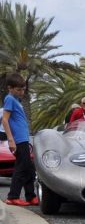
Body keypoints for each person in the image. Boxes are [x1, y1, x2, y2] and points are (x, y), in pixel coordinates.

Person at [2, 73, 37, 206]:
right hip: (18, 139)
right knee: (22, 168)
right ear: (10, 88)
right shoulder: (10, 99)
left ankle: (31, 196)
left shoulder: (16, 100)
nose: (22, 92)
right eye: (18, 89)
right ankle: (12, 197)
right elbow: (5, 120)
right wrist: (11, 140)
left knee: (28, 168)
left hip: (23, 138)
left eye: (23, 89)